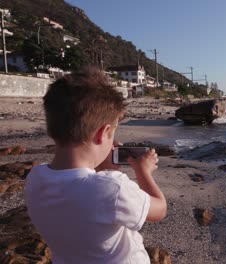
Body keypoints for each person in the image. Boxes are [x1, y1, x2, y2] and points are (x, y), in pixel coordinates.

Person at [25, 68, 167, 264]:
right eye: (112, 134)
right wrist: (143, 172)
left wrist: (102, 170)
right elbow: (159, 210)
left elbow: (80, 198)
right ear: (103, 133)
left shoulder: (36, 178)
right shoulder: (112, 187)